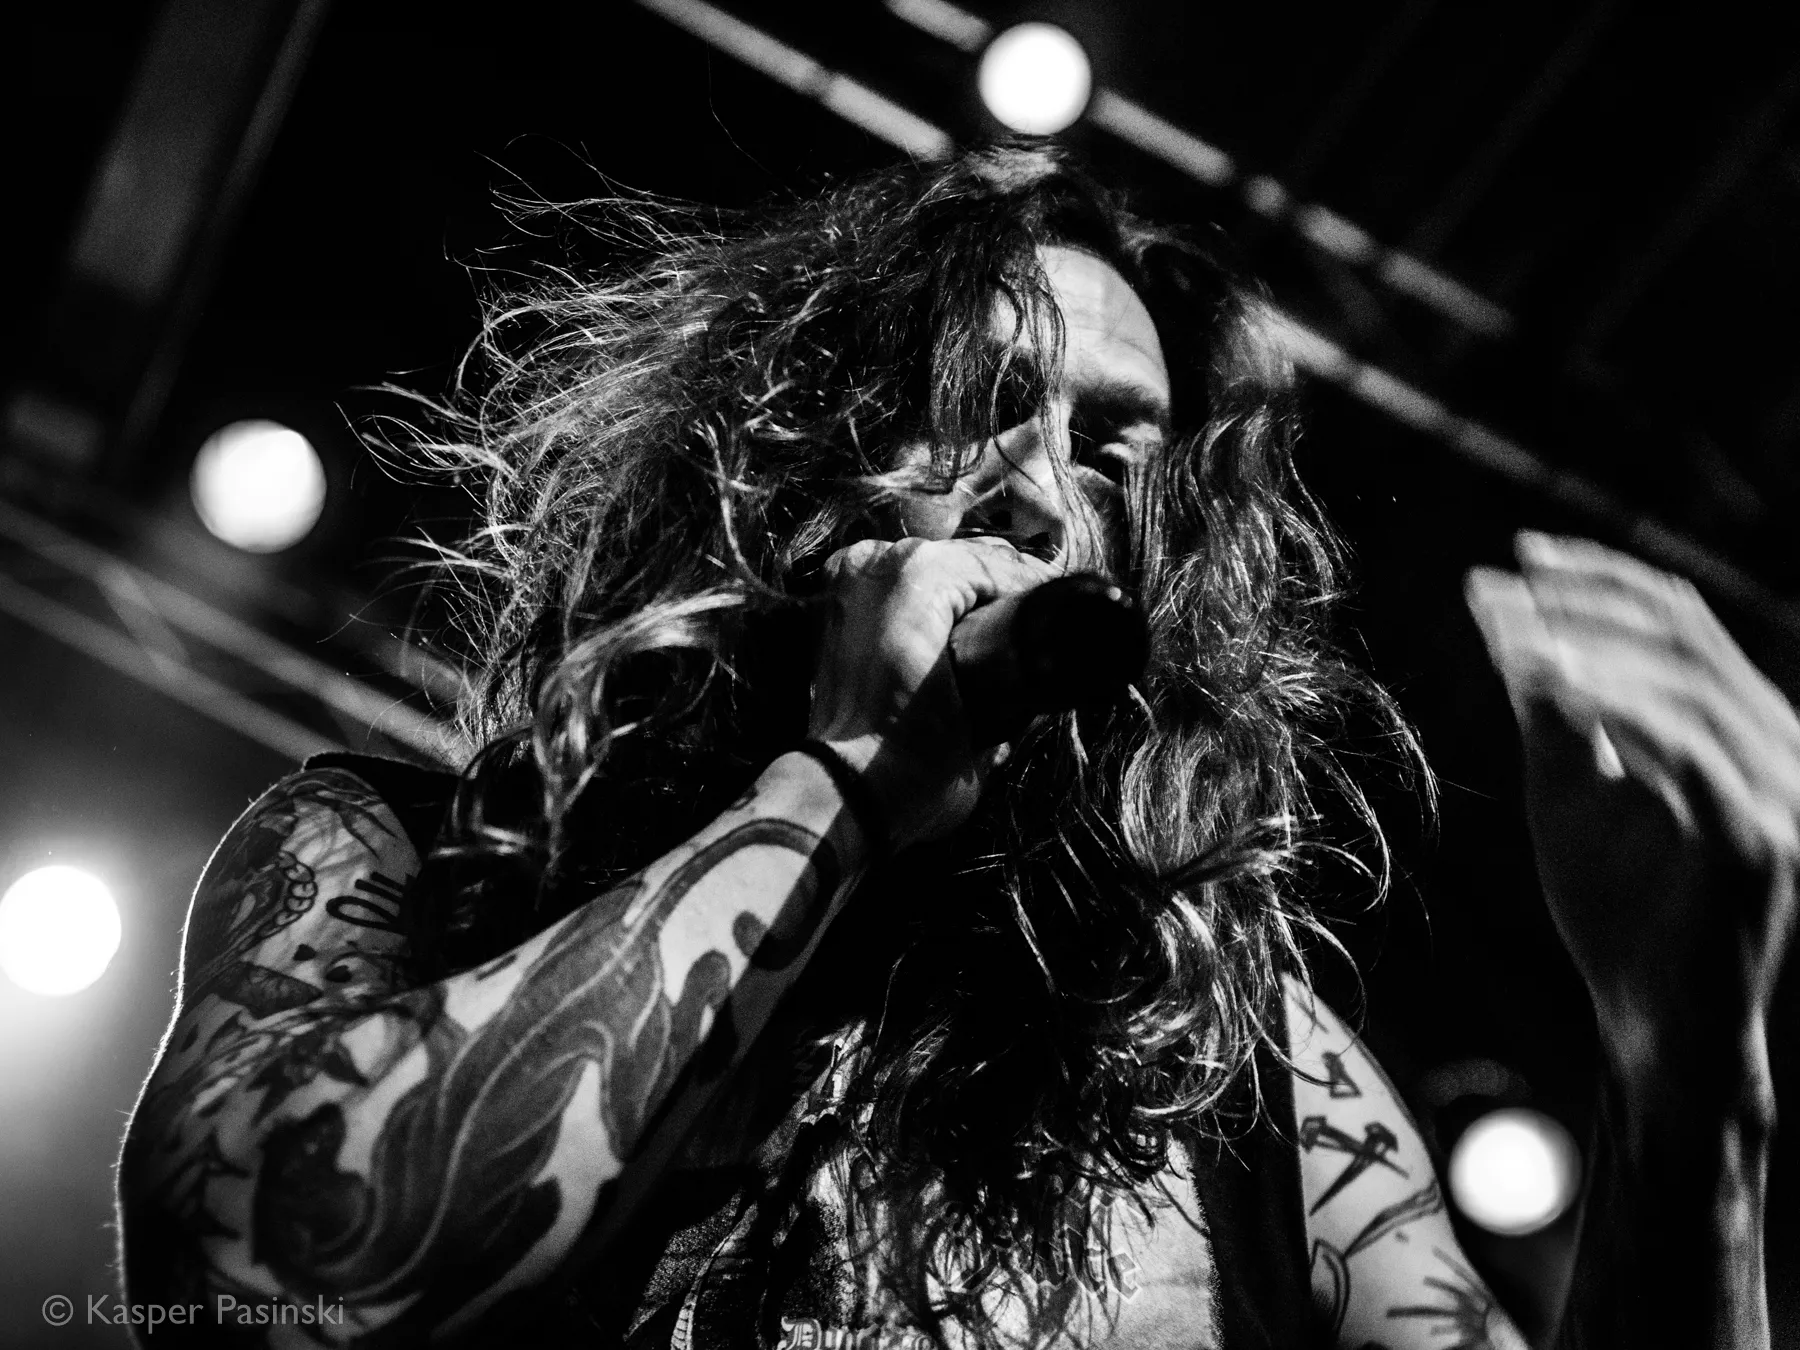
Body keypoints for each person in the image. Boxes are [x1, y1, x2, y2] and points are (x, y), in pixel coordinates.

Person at [117, 142, 1796, 1349]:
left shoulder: (1237, 1068)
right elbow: (265, 1277)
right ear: (795, 457)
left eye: (1116, 451)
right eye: (986, 408)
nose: (1045, 496)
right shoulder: (393, 858)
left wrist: (1691, 1078)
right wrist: (849, 774)